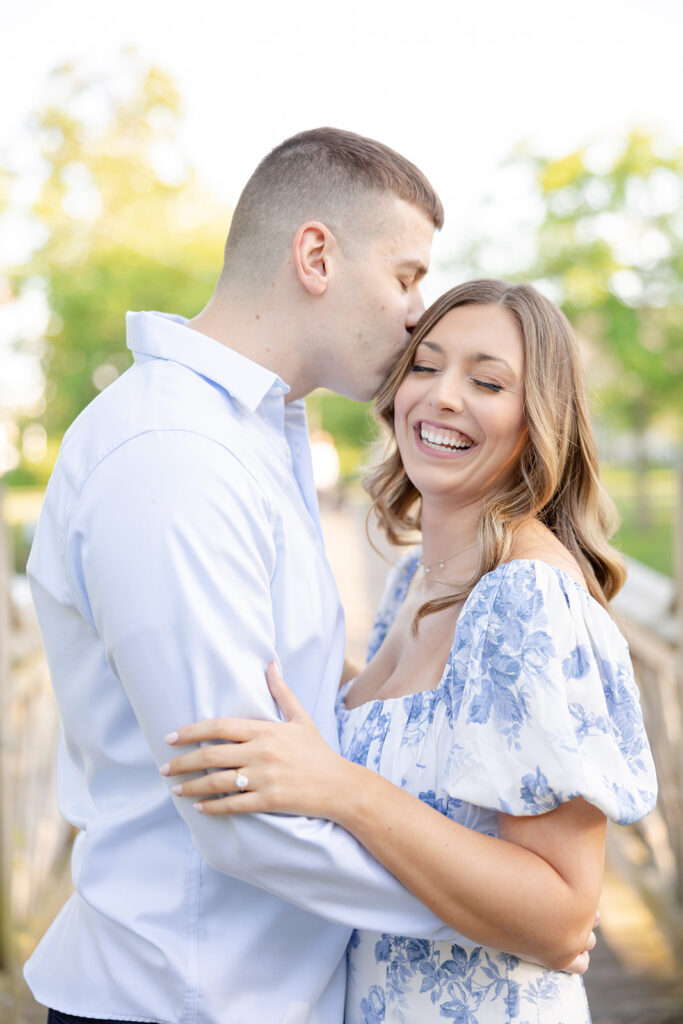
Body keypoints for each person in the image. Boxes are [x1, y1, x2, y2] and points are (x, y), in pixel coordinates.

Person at [25, 131, 590, 1024]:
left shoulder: (252, 437)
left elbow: (292, 703)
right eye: (406, 276)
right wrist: (505, 921)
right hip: (190, 997)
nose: (417, 314)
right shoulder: (174, 457)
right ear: (316, 256)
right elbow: (241, 808)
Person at [161, 279, 657, 1022]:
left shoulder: (524, 599)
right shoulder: (414, 579)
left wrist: (341, 788)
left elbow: (559, 915)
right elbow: (430, 731)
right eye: (424, 367)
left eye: (486, 381)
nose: (442, 396)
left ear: (539, 420)